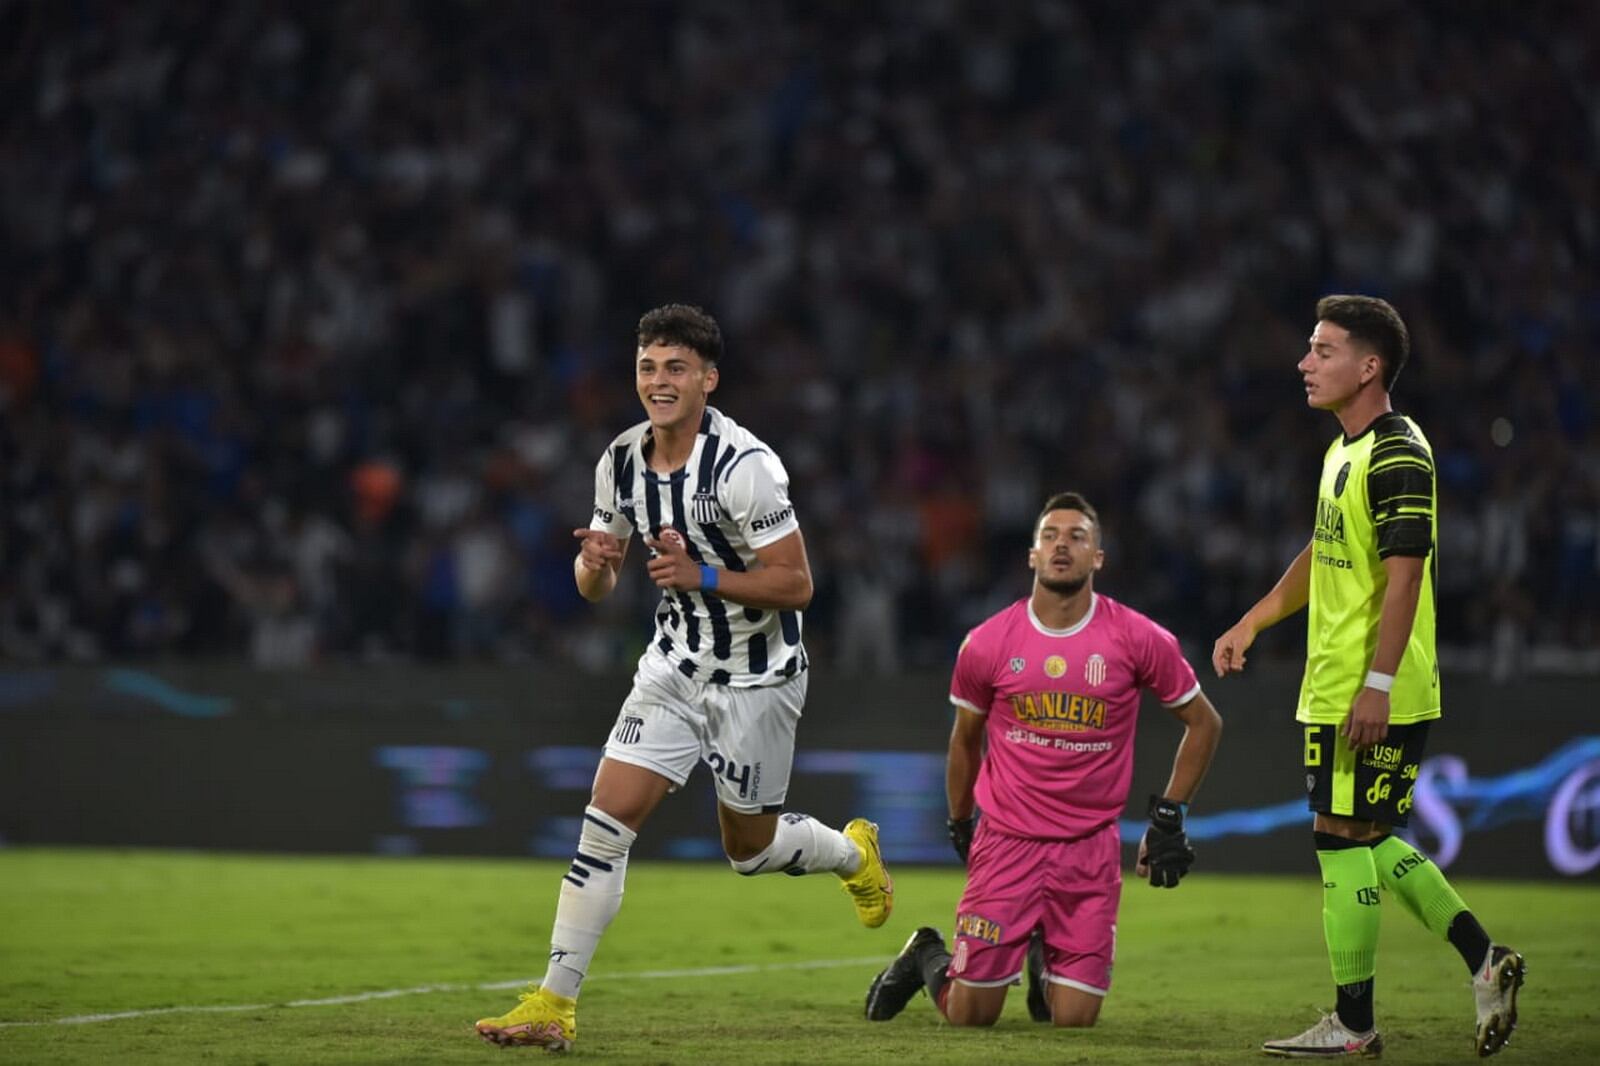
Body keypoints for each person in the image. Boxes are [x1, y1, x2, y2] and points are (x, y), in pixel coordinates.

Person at [475, 304, 893, 1051]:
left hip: (756, 681)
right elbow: (594, 587)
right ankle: (553, 1002)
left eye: (675, 368)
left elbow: (796, 585)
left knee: (750, 851)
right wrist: (594, 566)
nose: (658, 382)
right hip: (671, 669)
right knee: (604, 825)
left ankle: (853, 854)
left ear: (708, 379)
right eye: (647, 367)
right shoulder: (622, 460)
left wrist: (700, 573)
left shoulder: (747, 469)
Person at [1211, 295, 1525, 1058]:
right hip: (1341, 682)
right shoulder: (1343, 451)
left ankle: (1354, 1026)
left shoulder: (1397, 453)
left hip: (1369, 686)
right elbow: (1325, 555)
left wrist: (1377, 685)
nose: (1304, 363)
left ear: (1369, 365)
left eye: (1322, 350)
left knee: (1340, 837)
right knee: (1365, 835)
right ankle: (1486, 961)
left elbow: (1407, 575)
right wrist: (1254, 619)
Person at [863, 491, 1222, 1029]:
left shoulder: (1137, 638)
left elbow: (1204, 722)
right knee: (970, 1015)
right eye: (1050, 536)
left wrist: (1169, 816)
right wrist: (960, 820)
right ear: (1032, 555)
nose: (1062, 546)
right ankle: (925, 952)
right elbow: (965, 740)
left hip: (1090, 850)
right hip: (1008, 843)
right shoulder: (986, 643)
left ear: (1097, 557)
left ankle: (1040, 951)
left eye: (1078, 537)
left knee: (1074, 1020)